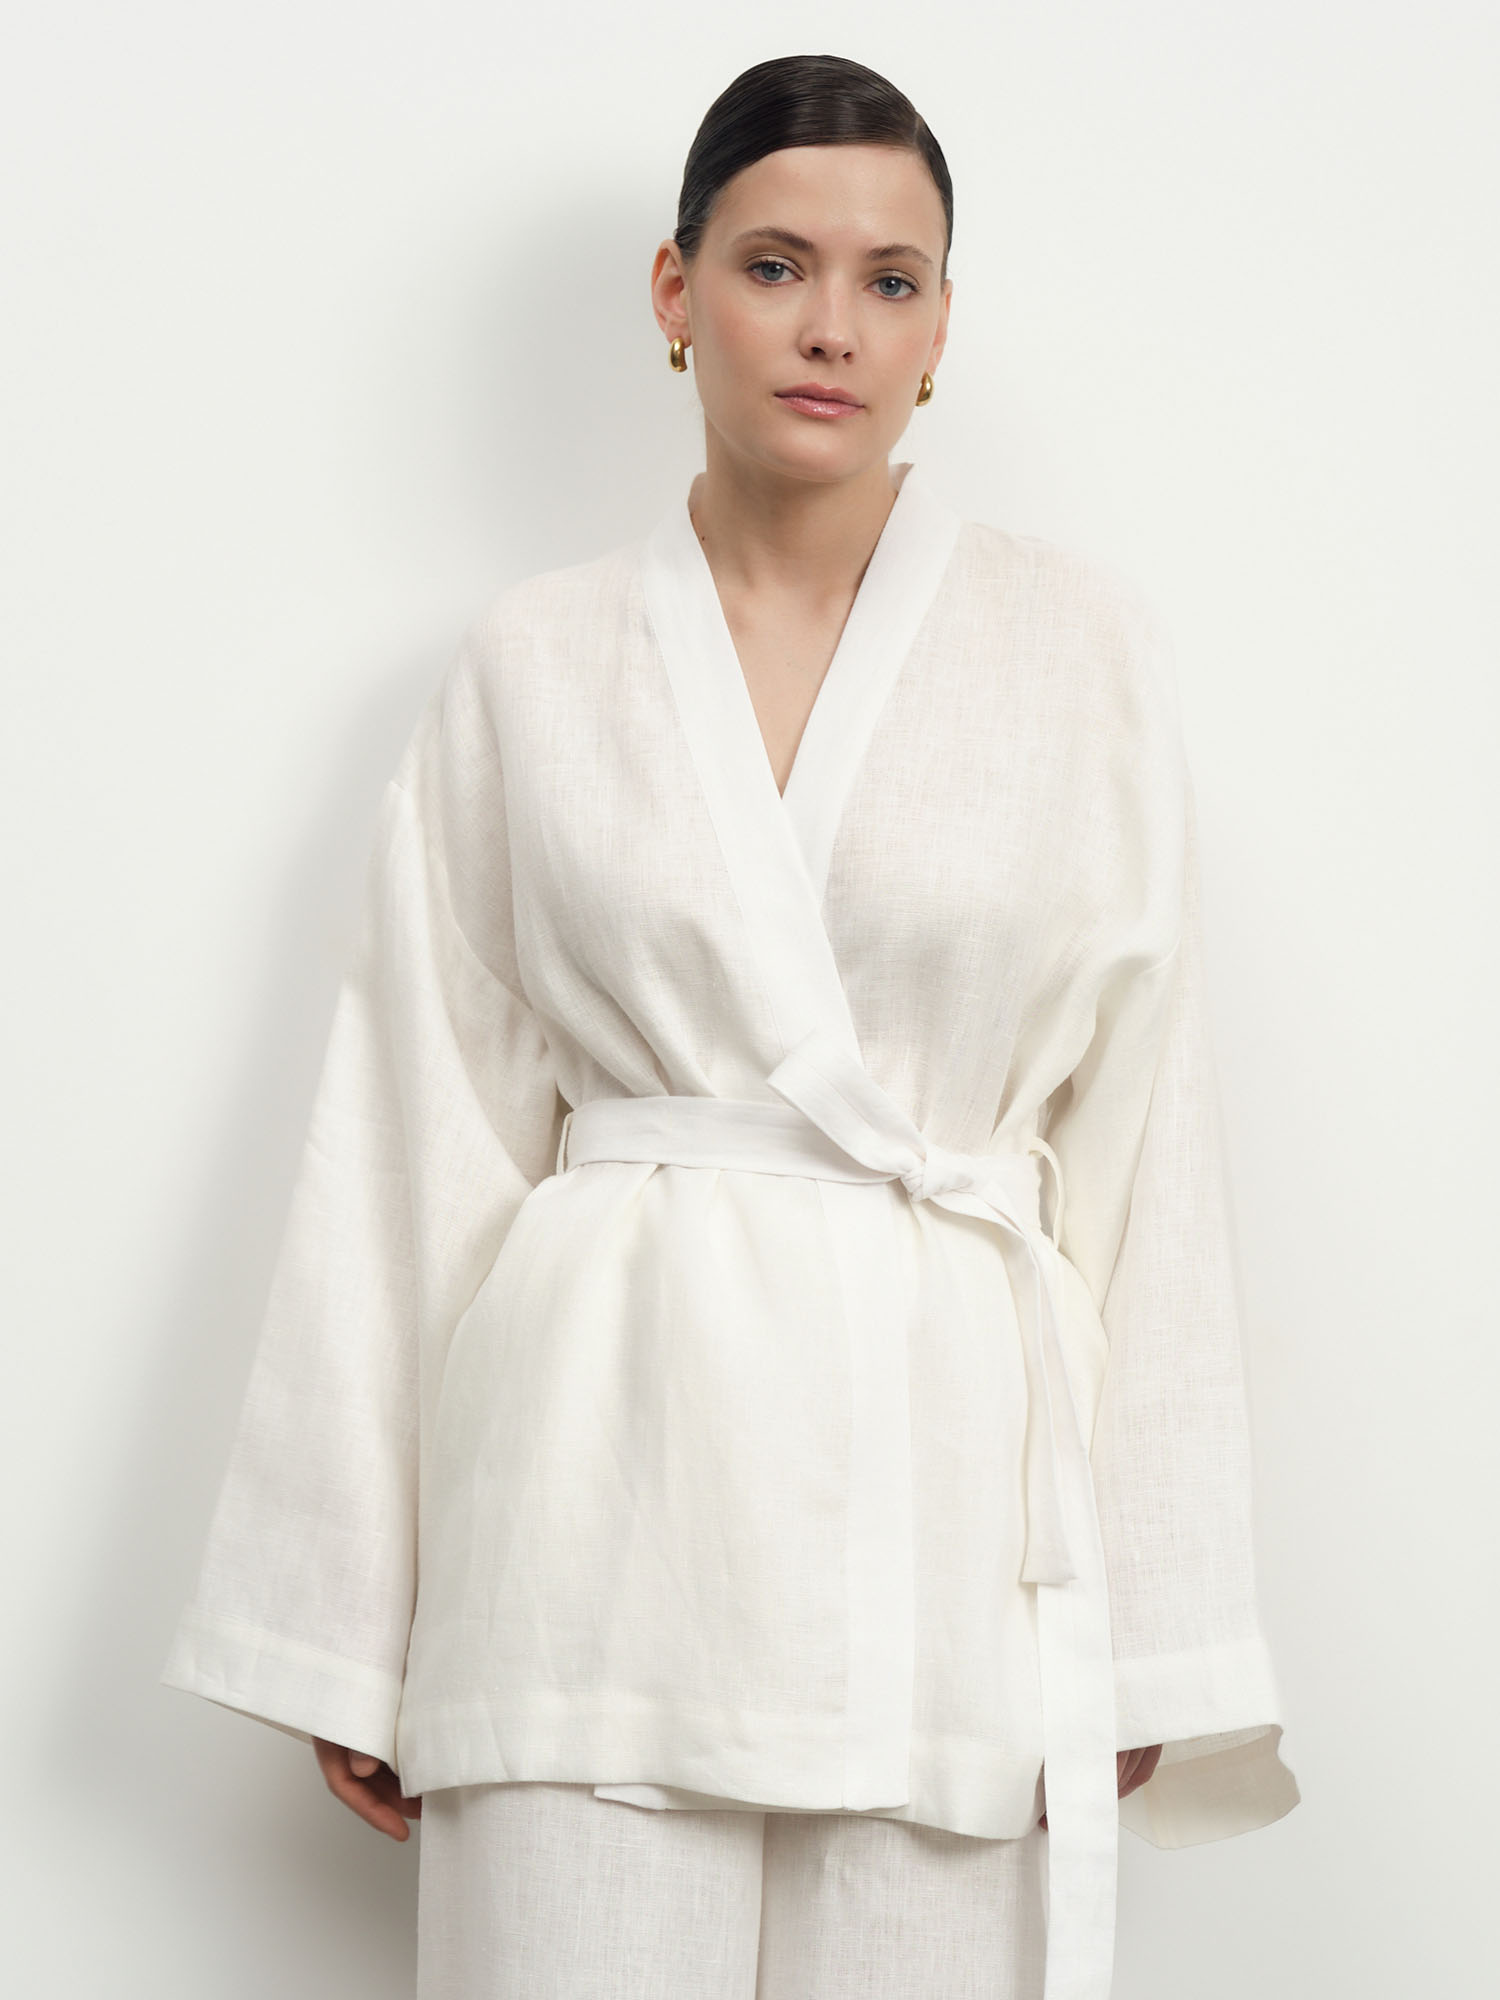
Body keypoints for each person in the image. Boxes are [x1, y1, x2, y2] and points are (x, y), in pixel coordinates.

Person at [161, 51, 1300, 2000]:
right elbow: (417, 1124)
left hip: (950, 1526)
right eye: (777, 265)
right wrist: (350, 1616)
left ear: (940, 327)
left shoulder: (1080, 649)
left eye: (890, 279)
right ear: (677, 289)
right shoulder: (530, 661)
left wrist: (1156, 1626)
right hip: (591, 1502)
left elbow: (1143, 1143)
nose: (832, 326)